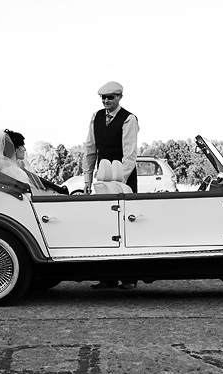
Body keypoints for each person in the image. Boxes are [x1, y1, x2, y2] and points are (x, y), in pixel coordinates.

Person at [84, 81, 140, 290]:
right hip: (102, 179)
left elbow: (130, 155)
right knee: (105, 226)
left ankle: (129, 278)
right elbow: (90, 149)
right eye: (103, 98)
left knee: (126, 226)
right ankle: (107, 278)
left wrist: (119, 182)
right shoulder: (96, 117)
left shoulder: (129, 119)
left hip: (123, 180)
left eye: (111, 97)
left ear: (119, 97)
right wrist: (88, 179)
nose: (106, 101)